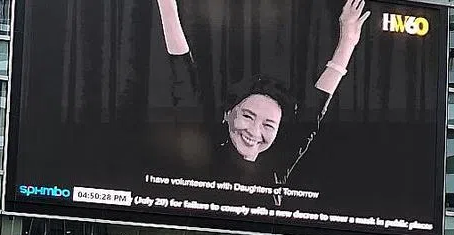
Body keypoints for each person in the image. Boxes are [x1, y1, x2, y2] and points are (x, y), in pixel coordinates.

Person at [157, 0, 370, 190]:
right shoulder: (202, 155)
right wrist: (167, 5)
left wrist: (348, 41)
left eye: (268, 125)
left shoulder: (277, 167)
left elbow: (315, 110)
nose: (254, 131)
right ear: (229, 113)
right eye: (248, 116)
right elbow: (183, 76)